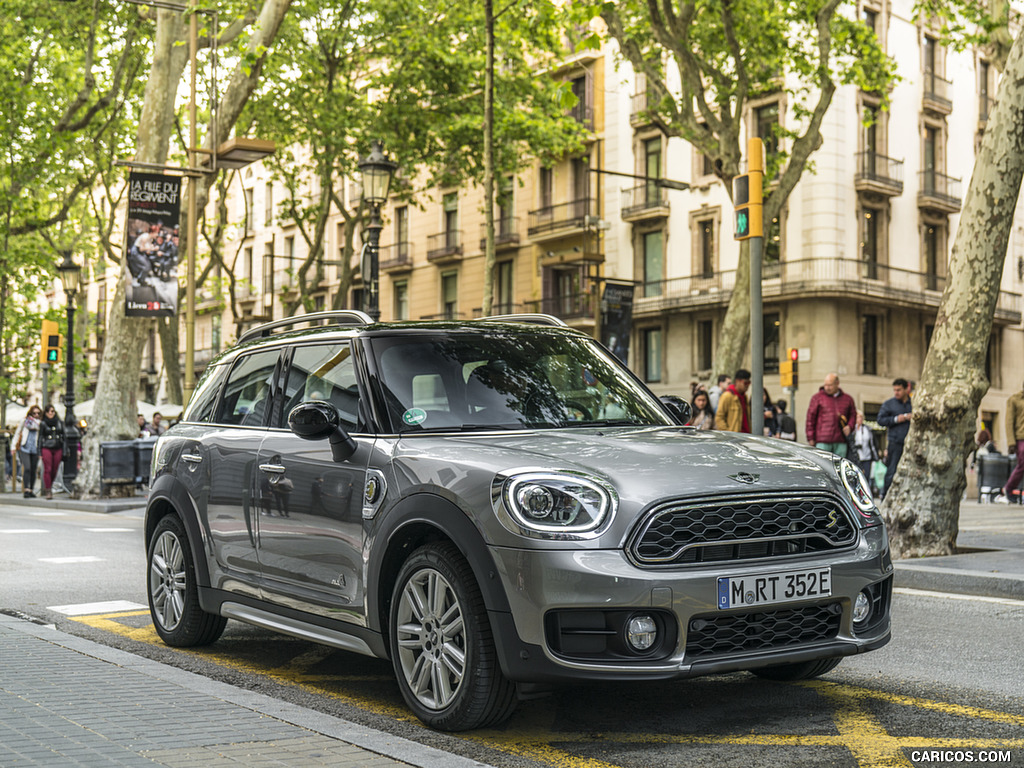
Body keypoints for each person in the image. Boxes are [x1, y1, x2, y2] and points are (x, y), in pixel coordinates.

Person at [805, 372, 857, 456]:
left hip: (841, 440)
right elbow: (810, 419)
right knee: (823, 465)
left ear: (837, 383)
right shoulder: (817, 398)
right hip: (822, 440)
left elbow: (853, 415)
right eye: (825, 385)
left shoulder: (848, 399)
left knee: (839, 467)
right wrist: (810, 438)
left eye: (830, 385)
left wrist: (850, 426)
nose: (827, 388)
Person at [877, 377, 912, 500]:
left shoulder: (913, 403)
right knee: (891, 471)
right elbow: (880, 420)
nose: (896, 392)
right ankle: (886, 498)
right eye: (895, 390)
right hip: (895, 442)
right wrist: (897, 419)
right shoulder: (889, 404)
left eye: (899, 390)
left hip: (911, 444)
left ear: (906, 389)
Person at [1000, 382, 1024, 502]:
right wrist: (1011, 443)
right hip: (1021, 438)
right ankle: (1008, 488)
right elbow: (1009, 422)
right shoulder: (1014, 400)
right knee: (1022, 463)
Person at [12, 405, 42, 498]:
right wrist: (13, 446)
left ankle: (31, 490)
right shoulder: (25, 421)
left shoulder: (41, 424)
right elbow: (17, 433)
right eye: (34, 413)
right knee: (27, 468)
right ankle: (26, 489)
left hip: (35, 448)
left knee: (33, 470)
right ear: (30, 413)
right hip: (25, 447)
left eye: (38, 413)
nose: (36, 415)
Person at [38, 405, 66, 500]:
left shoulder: (60, 423)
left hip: (58, 447)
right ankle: (48, 490)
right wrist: (39, 452)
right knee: (48, 469)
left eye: (52, 411)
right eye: (48, 411)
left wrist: (65, 450)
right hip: (46, 447)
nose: (51, 413)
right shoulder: (43, 423)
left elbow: (64, 437)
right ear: (45, 413)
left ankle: (50, 484)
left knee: (55, 469)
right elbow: (40, 438)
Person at [851, 411, 879, 493]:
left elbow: (872, 443)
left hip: (867, 457)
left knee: (866, 477)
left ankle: (865, 494)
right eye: (857, 417)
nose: (859, 419)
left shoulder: (867, 429)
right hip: (855, 458)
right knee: (855, 477)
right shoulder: (852, 429)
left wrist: (875, 455)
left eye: (861, 417)